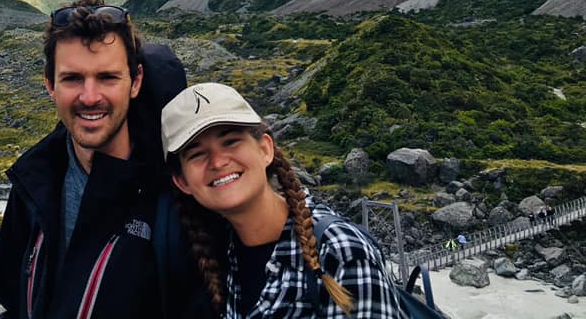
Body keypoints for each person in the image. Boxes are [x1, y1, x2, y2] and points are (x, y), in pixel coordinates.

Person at [0, 0, 209, 319]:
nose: (90, 97)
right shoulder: (34, 182)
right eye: (72, 78)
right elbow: (13, 295)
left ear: (135, 82)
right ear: (50, 84)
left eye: (107, 77)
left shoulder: (177, 202)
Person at [161, 82, 406, 318]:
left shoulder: (340, 252)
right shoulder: (223, 251)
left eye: (230, 141)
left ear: (265, 149)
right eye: (197, 154)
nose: (217, 161)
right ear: (182, 182)